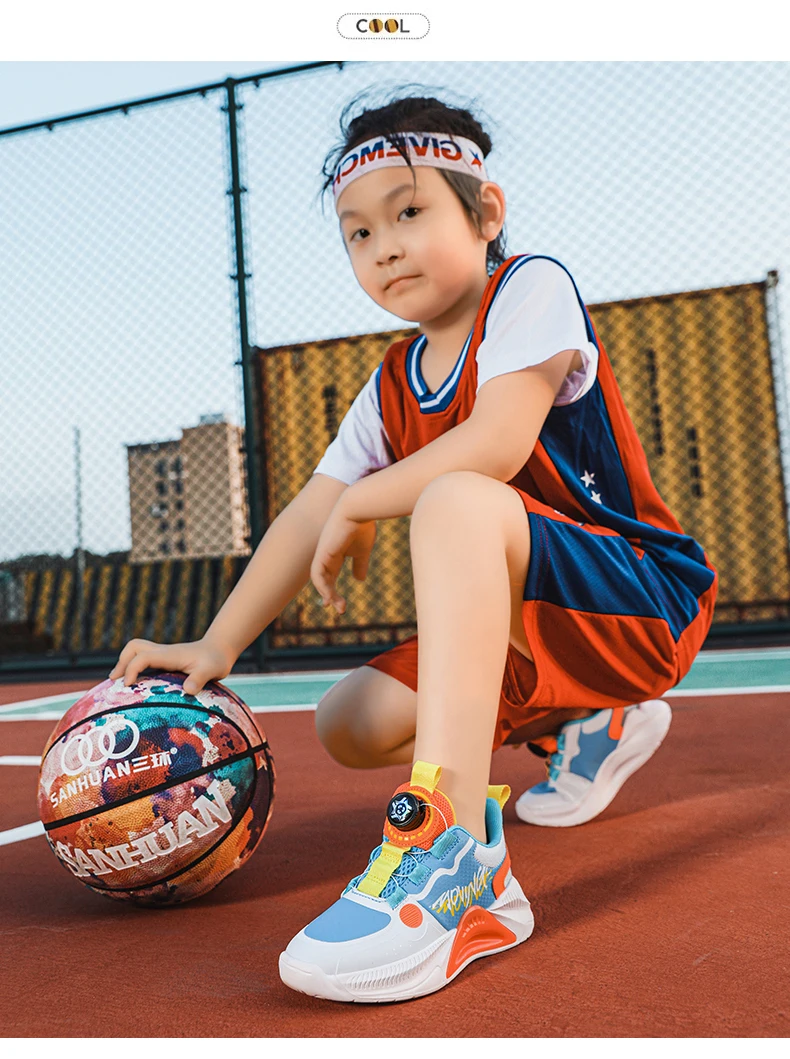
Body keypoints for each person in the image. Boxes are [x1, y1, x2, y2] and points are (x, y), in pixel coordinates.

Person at [109, 89, 718, 1003]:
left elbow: (493, 445)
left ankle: (461, 859)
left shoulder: (531, 288)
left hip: (642, 601)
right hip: (537, 629)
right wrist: (217, 643)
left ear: (487, 213)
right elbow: (308, 515)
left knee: (455, 501)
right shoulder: (392, 379)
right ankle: (587, 721)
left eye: (409, 211)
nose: (383, 245)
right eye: (357, 233)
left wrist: (366, 499)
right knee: (347, 718)